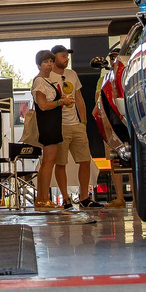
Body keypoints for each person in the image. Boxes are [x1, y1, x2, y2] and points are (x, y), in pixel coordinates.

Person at [49, 45, 99, 209]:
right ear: (54, 57)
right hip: (59, 125)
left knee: (85, 161)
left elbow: (79, 99)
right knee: (61, 163)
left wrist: (83, 122)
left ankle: (84, 197)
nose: (66, 58)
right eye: (63, 56)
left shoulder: (72, 74)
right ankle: (65, 198)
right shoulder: (47, 76)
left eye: (67, 56)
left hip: (76, 124)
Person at [30, 50, 66, 211]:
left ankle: (42, 198)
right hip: (47, 124)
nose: (49, 64)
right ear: (38, 64)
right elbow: (43, 105)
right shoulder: (39, 82)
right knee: (48, 162)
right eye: (45, 62)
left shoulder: (47, 81)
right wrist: (60, 102)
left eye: (51, 61)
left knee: (49, 161)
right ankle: (43, 198)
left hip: (53, 123)